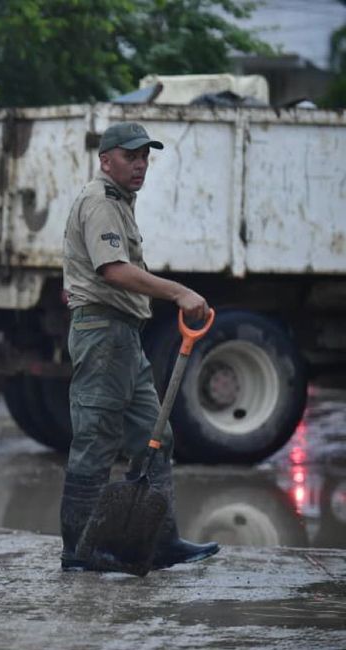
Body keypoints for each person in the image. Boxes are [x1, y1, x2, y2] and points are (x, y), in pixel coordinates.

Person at [59, 121, 220, 572]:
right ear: (105, 159)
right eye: (131, 156)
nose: (141, 164)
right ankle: (78, 548)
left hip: (123, 334)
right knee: (95, 440)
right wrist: (179, 292)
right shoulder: (100, 202)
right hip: (103, 335)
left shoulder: (120, 204)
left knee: (157, 435)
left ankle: (160, 540)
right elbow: (114, 270)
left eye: (145, 156)